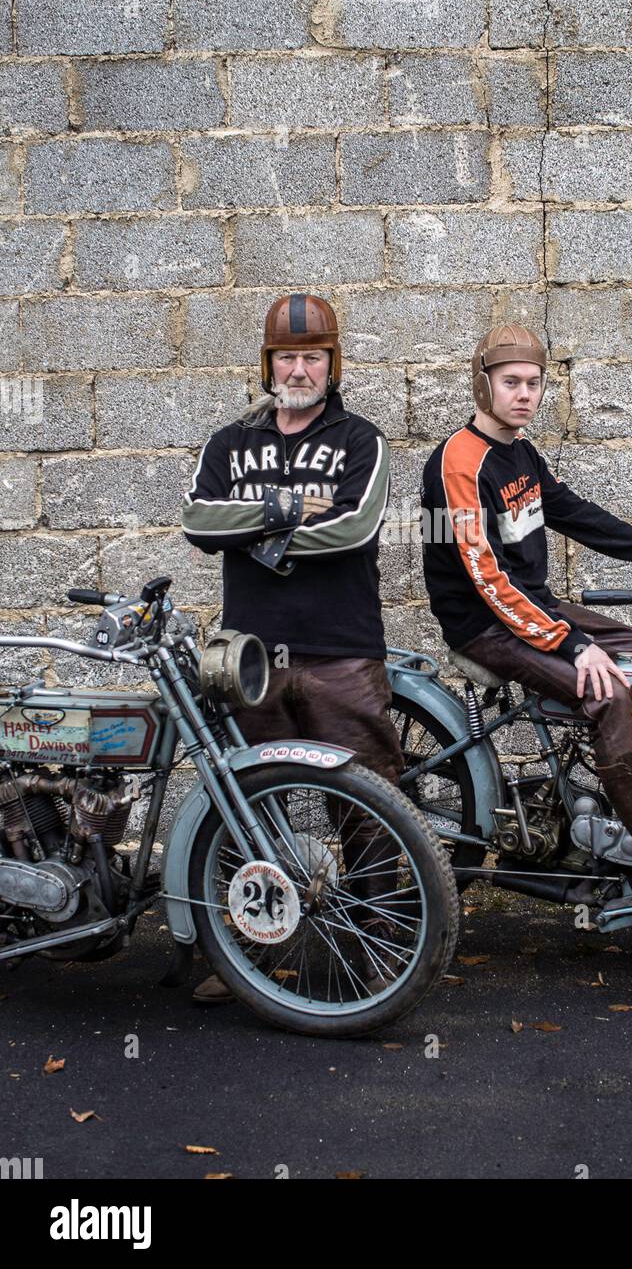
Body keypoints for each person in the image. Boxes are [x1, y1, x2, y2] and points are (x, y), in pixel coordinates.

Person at [420, 323, 632, 902]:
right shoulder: (458, 461)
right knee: (609, 692)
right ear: (482, 385)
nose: (524, 394)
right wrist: (571, 644)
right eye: (511, 382)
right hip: (485, 623)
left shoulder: (521, 453)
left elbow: (579, 515)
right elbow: (485, 577)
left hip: (530, 609)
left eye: (533, 383)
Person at [181, 293, 404, 1001]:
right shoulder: (230, 443)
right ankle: (247, 952)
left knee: (369, 807)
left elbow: (354, 529)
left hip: (342, 651)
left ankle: (377, 949)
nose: (299, 368)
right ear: (268, 363)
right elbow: (197, 521)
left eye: (312, 356)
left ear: (332, 364)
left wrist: (256, 537)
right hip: (251, 661)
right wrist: (288, 508)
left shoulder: (360, 440)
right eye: (287, 356)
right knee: (251, 809)